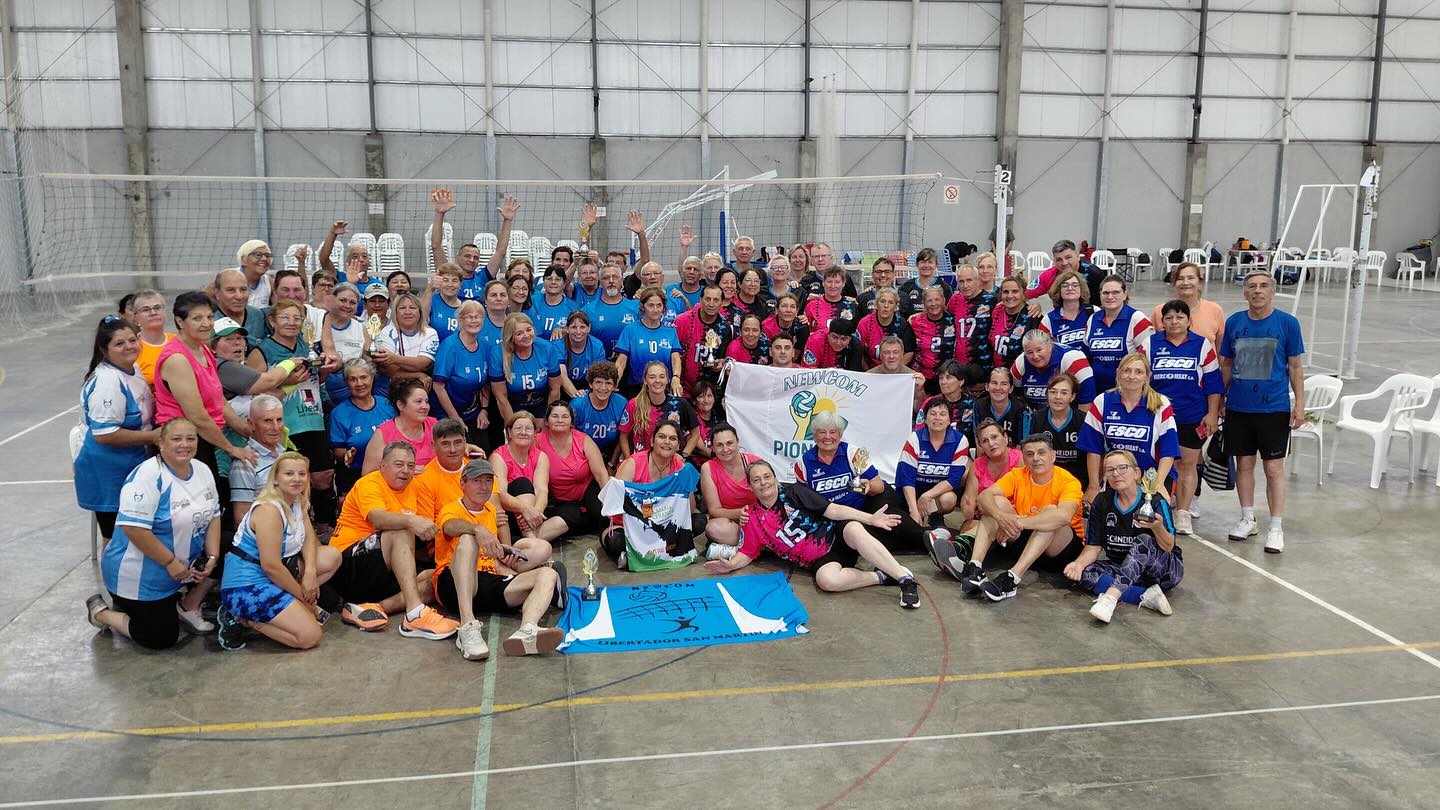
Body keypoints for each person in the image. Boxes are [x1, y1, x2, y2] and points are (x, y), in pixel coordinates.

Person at [703, 460, 919, 609]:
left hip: (836, 535)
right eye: (757, 480)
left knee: (854, 529)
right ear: (750, 487)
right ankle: (881, 577)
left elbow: (833, 510)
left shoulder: (794, 491)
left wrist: (870, 519)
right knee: (827, 581)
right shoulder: (751, 517)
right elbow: (748, 552)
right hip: (821, 559)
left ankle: (905, 580)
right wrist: (731, 565)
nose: (763, 482)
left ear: (775, 478)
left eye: (767, 476)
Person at [85, 418, 222, 648]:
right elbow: (133, 528)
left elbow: (215, 515)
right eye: (176, 439)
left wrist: (212, 557)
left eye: (190, 438)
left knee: (233, 546)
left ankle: (187, 605)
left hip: (183, 569)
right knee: (160, 637)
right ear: (161, 443)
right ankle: (101, 613)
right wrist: (170, 562)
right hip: (141, 575)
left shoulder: (202, 469)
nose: (185, 444)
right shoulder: (147, 476)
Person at [437, 459, 566, 660]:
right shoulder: (451, 508)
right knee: (469, 539)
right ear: (463, 483)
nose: (484, 486)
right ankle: (467, 625)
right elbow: (449, 526)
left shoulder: (490, 510)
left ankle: (528, 630)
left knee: (548, 574)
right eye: (477, 481)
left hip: (487, 579)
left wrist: (503, 555)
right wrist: (476, 529)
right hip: (453, 582)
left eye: (488, 481)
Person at [330, 441, 458, 638]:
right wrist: (412, 521)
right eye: (399, 464)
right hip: (346, 566)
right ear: (383, 465)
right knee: (401, 529)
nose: (405, 470)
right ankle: (415, 614)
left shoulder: (414, 486)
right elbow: (377, 518)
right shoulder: (369, 483)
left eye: (410, 465)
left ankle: (370, 609)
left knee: (435, 579)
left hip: (381, 570)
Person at [217, 452, 342, 651]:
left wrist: (310, 572)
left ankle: (286, 605)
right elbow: (271, 566)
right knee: (310, 636)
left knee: (332, 556)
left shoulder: (296, 500)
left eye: (302, 474)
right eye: (289, 474)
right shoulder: (269, 510)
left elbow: (309, 538)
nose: (297, 479)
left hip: (275, 574)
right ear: (275, 478)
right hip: (247, 584)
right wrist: (304, 598)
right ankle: (242, 618)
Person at [1218, 270, 1305, 553]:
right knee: (1244, 465)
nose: (1258, 291)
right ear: (1245, 293)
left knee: (1273, 468)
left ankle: (1276, 527)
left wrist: (1299, 406)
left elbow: (1295, 367)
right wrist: (1219, 399)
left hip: (1274, 408)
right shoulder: (1234, 322)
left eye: (1264, 286)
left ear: (1272, 291)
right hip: (1239, 407)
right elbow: (1227, 364)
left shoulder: (1288, 323)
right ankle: (1247, 518)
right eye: (1252, 286)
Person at [946, 434, 1085, 602]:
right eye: (1030, 454)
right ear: (1023, 458)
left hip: (1060, 550)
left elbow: (1064, 516)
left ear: (1053, 456)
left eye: (1041, 453)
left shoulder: (1069, 481)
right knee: (996, 502)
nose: (1036, 458)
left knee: (1051, 513)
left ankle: (1013, 578)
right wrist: (1000, 517)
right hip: (1026, 540)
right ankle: (975, 567)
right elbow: (983, 497)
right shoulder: (1017, 475)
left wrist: (1017, 522)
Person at [1065, 449, 1182, 623]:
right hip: (1121, 566)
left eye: (1122, 468)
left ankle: (1110, 599)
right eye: (1110, 470)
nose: (1116, 474)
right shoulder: (1102, 501)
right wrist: (1079, 564)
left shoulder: (1156, 501)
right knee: (1085, 573)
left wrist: (1157, 527)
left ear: (1136, 473)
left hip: (1162, 570)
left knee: (1144, 540)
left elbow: (1169, 546)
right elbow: (1093, 546)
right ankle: (1145, 595)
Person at [250, 299, 337, 528]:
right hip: (283, 425)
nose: (292, 322)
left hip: (313, 417)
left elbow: (319, 379)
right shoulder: (261, 351)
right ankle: (295, 527)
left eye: (297, 318)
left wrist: (326, 369)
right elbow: (251, 392)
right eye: (285, 318)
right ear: (272, 321)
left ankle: (324, 527)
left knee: (323, 476)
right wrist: (286, 382)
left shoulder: (308, 346)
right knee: (292, 478)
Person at [793, 411, 929, 554]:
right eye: (822, 432)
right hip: (836, 517)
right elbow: (806, 503)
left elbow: (880, 487)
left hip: (864, 505)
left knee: (888, 514)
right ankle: (923, 542)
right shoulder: (803, 465)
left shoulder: (853, 453)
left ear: (840, 435)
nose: (827, 437)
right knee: (862, 536)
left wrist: (867, 486)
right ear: (814, 435)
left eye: (832, 432)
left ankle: (930, 538)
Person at [75, 316, 158, 546]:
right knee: (115, 537)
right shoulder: (107, 381)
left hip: (131, 460)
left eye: (132, 340)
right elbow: (105, 434)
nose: (129, 346)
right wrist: (154, 437)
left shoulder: (133, 369)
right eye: (119, 343)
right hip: (106, 469)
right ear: (104, 350)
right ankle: (111, 570)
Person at [156, 292, 259, 476]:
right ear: (180, 321)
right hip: (182, 443)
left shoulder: (202, 348)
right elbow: (197, 417)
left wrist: (245, 430)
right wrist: (231, 449)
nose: (206, 323)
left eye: (210, 317)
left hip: (205, 437)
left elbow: (218, 399)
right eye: (197, 318)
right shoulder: (177, 359)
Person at [1148, 300, 1224, 535]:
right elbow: (1140, 377)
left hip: (1191, 415)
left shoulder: (1201, 345)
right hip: (1157, 417)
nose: (1174, 322)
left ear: (1189, 321)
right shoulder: (1150, 344)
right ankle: (1152, 508)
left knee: (1186, 465)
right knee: (1156, 463)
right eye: (1169, 317)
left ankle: (1183, 513)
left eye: (1180, 317)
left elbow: (1213, 384)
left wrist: (1211, 414)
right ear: (1162, 322)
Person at [1079, 352, 1182, 504]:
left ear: (1147, 376)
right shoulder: (1102, 401)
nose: (1132, 376)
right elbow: (1092, 448)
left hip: (1151, 475)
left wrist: (1158, 484)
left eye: (1138, 372)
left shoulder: (1161, 404)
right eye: (1126, 370)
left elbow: (1169, 451)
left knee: (1151, 517)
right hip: (1116, 476)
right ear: (1118, 373)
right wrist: (1094, 485)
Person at [534, 400, 612, 539]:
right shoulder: (536, 441)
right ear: (546, 421)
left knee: (604, 516)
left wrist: (610, 502)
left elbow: (601, 474)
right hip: (554, 498)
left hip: (586, 490)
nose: (560, 420)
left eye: (565, 416)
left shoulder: (583, 440)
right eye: (555, 416)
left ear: (571, 422)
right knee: (564, 517)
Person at [898, 399, 971, 529]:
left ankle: (935, 517)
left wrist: (928, 495)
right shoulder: (914, 438)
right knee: (907, 523)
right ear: (925, 419)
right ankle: (913, 511)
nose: (937, 418)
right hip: (913, 491)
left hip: (937, 494)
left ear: (949, 420)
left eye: (942, 414)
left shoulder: (960, 440)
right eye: (932, 413)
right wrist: (913, 510)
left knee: (949, 499)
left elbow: (955, 479)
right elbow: (906, 477)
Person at [329, 358, 396, 493]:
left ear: (372, 378)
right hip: (355, 476)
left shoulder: (388, 405)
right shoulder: (339, 413)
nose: (359, 383)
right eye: (353, 379)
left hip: (391, 473)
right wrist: (346, 455)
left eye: (363, 377)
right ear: (346, 382)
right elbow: (338, 450)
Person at [432, 300, 493, 444]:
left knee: (484, 450)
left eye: (478, 317)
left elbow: (486, 383)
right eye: (469, 317)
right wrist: (455, 418)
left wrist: (484, 410)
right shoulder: (449, 346)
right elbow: (438, 386)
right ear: (460, 320)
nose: (474, 320)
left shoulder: (485, 346)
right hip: (446, 413)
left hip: (473, 412)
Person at [1083, 275, 1154, 393]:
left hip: (1127, 391)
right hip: (1096, 390)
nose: (1110, 297)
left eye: (1115, 292)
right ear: (1100, 295)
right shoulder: (1093, 319)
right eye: (1105, 293)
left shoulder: (1138, 319)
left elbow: (1148, 360)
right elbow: (1087, 356)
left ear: (1125, 294)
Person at [489, 313, 562, 425]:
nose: (526, 335)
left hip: (542, 408)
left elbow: (555, 389)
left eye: (529, 330)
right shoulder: (498, 353)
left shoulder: (547, 348)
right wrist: (514, 426)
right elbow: (501, 397)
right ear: (510, 337)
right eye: (519, 333)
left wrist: (546, 421)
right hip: (512, 409)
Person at [227, 394, 289, 524]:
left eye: (279, 420)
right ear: (251, 424)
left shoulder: (284, 454)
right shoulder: (244, 464)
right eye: (267, 421)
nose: (276, 427)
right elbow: (241, 516)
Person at [618, 361, 699, 458]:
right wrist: (629, 460)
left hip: (671, 461)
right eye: (652, 377)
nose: (657, 380)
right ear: (645, 380)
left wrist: (684, 455)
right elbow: (623, 436)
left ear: (667, 379)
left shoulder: (680, 404)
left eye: (662, 376)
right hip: (642, 461)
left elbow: (695, 433)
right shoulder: (634, 404)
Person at [614, 287, 683, 397]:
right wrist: (614, 381)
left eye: (659, 305)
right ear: (642, 306)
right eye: (651, 305)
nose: (655, 310)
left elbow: (675, 358)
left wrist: (676, 377)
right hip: (637, 388)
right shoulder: (630, 329)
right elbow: (621, 361)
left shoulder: (670, 330)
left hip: (663, 387)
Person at [698, 424, 760, 546]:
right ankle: (759, 544)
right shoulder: (708, 468)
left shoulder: (754, 462)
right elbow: (714, 510)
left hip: (758, 517)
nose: (725, 449)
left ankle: (747, 545)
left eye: (729, 443)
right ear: (713, 448)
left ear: (737, 443)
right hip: (731, 522)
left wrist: (754, 515)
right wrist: (740, 513)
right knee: (713, 528)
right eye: (719, 445)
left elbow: (773, 493)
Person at [362, 378, 438, 474]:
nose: (425, 406)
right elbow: (367, 475)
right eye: (419, 401)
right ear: (401, 405)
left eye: (426, 401)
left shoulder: (434, 424)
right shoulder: (383, 433)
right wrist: (404, 471)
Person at [370, 290, 439, 395]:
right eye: (402, 308)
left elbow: (422, 363)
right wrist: (418, 374)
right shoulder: (386, 332)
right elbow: (390, 370)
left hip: (419, 389)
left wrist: (394, 358)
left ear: (420, 312)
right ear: (395, 312)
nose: (408, 312)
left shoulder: (430, 333)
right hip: (389, 389)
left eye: (412, 308)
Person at [1011, 328, 1095, 411]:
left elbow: (1086, 401)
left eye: (1039, 350)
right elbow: (1013, 393)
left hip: (1071, 414)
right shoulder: (1020, 362)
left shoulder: (1072, 359)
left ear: (1049, 346)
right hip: (1037, 414)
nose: (1035, 356)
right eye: (1030, 352)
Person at [675, 283, 736, 390]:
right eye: (707, 299)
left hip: (709, 390)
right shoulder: (681, 321)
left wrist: (719, 364)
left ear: (721, 302)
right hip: (681, 386)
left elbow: (722, 358)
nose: (711, 304)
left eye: (716, 300)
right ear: (700, 300)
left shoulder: (726, 328)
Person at [1035, 373, 1088, 490]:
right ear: (1047, 394)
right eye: (1053, 392)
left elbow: (1092, 456)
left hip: (1077, 482)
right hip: (1044, 481)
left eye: (1064, 393)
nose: (1058, 397)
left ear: (1072, 397)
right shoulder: (1035, 419)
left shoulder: (1083, 421)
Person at [1152, 261, 1225, 346]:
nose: (1185, 283)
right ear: (1174, 283)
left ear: (1199, 282)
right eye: (1180, 279)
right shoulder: (1159, 311)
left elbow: (1221, 347)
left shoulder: (1215, 310)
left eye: (1191, 278)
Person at [318, 283, 368, 403]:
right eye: (343, 300)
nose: (347, 306)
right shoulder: (318, 323)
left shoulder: (361, 328)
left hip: (352, 391)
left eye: (352, 302)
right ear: (332, 299)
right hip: (320, 388)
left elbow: (368, 360)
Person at [571, 360, 627, 463]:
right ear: (590, 384)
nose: (603, 388)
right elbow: (569, 436)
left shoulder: (621, 403)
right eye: (598, 382)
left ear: (615, 386)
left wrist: (612, 464)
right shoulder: (578, 404)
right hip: (581, 454)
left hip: (610, 453)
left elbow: (623, 437)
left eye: (608, 383)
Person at [908, 285, 958, 393]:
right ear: (924, 303)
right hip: (921, 376)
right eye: (929, 301)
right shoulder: (914, 321)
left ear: (943, 300)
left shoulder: (953, 320)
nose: (934, 304)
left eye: (937, 299)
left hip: (946, 377)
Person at [948, 263, 996, 372]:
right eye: (961, 281)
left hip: (983, 364)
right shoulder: (955, 300)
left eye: (969, 280)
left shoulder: (991, 300)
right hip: (960, 364)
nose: (965, 285)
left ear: (978, 280)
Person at [1025, 239, 1104, 304]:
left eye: (1068, 257)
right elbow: (1024, 295)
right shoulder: (1048, 276)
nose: (1064, 263)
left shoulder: (1095, 275)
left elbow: (1103, 306)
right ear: (1054, 262)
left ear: (1078, 257)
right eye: (1059, 260)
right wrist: (1035, 306)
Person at [584, 263, 640, 354]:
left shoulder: (637, 307)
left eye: (615, 277)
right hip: (600, 361)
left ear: (622, 281)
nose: (611, 281)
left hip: (632, 361)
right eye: (606, 278)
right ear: (600, 282)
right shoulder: (588, 311)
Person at [856, 287, 916, 370]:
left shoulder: (903, 324)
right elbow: (858, 352)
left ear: (896, 307)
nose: (886, 306)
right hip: (871, 370)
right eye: (882, 301)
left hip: (895, 370)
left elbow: (909, 352)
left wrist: (893, 370)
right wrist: (869, 372)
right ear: (876, 305)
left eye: (890, 302)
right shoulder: (864, 323)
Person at [915, 360, 978, 435]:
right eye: (941, 378)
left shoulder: (973, 404)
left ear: (961, 381)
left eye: (948, 378)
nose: (943, 382)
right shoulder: (930, 402)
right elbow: (919, 430)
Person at [973, 366, 1032, 445]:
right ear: (987, 387)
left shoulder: (1021, 409)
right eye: (994, 383)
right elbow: (979, 442)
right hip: (987, 451)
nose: (998, 388)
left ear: (1011, 389)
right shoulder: (979, 406)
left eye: (1004, 384)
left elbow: (1023, 445)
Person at [555, 309, 607, 398]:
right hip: (563, 388)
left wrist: (589, 394)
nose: (578, 332)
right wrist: (578, 396)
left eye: (582, 327)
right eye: (574, 327)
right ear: (567, 329)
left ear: (589, 328)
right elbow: (562, 376)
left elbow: (600, 375)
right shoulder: (558, 346)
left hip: (588, 385)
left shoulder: (597, 346)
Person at [212, 269, 270, 346]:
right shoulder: (209, 320)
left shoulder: (259, 316)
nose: (239, 296)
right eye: (231, 290)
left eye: (243, 289)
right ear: (217, 293)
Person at [1039, 270, 1095, 349]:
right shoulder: (1049, 319)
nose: (1070, 288)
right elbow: (1041, 347)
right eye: (1065, 285)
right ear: (1059, 290)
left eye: (1075, 285)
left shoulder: (1093, 311)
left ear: (1081, 289)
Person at [128, 290, 174, 385]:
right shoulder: (132, 348)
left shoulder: (178, 341)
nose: (153, 312)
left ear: (165, 312)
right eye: (145, 310)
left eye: (157, 308)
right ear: (136, 318)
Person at [990, 277, 1036, 371]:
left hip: (1021, 373)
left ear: (1023, 294)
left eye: (1015, 291)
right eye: (1006, 292)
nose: (1010, 296)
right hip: (997, 374)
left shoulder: (1033, 316)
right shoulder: (997, 311)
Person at [802, 266, 860, 335]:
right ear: (823, 283)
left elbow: (857, 334)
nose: (833, 286)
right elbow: (805, 332)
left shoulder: (852, 306)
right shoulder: (812, 306)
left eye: (837, 282)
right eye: (829, 282)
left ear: (843, 284)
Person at [898, 248, 953, 317]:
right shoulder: (906, 286)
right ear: (917, 264)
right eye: (923, 262)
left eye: (930, 262)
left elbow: (950, 311)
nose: (926, 265)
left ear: (936, 265)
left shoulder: (944, 287)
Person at [800, 315, 865, 371]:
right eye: (835, 337)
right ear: (828, 335)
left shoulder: (856, 345)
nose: (838, 343)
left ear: (850, 339)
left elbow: (853, 373)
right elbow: (808, 371)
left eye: (843, 339)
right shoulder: (815, 341)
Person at [529, 264, 578, 338]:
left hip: (560, 345)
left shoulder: (573, 308)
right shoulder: (533, 302)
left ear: (564, 283)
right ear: (544, 282)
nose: (553, 282)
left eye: (558, 279)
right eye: (549, 279)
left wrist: (566, 331)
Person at [422, 262, 463, 343]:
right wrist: (430, 289)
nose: (450, 284)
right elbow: (421, 321)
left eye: (454, 280)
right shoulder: (431, 300)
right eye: (445, 280)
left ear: (460, 284)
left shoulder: (465, 307)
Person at [237, 239, 274, 307]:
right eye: (258, 255)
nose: (264, 259)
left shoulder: (269, 282)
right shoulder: (228, 278)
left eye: (267, 255)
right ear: (243, 259)